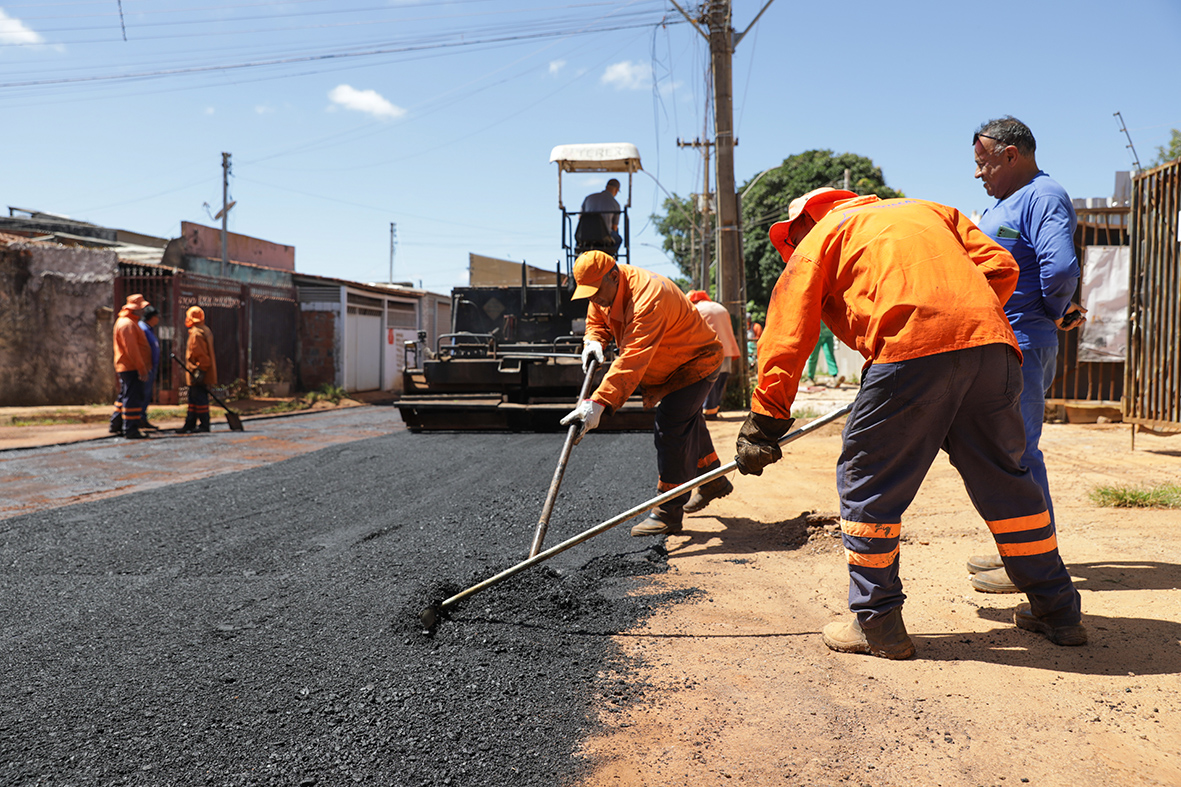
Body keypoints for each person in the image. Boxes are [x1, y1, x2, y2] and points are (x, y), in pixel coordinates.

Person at [735, 187, 1085, 659]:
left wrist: (765, 420)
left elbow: (786, 330)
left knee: (869, 483)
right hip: (994, 350)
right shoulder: (930, 210)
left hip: (911, 353)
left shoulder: (823, 238)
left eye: (793, 234)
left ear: (807, 221)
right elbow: (1003, 266)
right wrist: (966, 323)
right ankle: (1058, 609)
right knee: (1008, 483)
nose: (794, 243)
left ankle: (877, 623)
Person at [968, 116, 1087, 594]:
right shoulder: (1008, 202)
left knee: (1019, 451)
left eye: (983, 163)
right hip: (1005, 340)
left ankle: (1035, 565)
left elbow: (1059, 268)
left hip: (1024, 341)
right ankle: (1018, 552)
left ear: (1010, 154)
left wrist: (1057, 310)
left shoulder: (1043, 195)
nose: (978, 174)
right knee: (1007, 450)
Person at [560, 251, 731, 534]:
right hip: (668, 365)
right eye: (588, 294)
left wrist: (598, 403)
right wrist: (594, 339)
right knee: (688, 419)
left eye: (596, 292)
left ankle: (668, 510)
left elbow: (633, 358)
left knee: (671, 424)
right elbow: (597, 318)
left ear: (614, 276)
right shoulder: (603, 292)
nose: (594, 299)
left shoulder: (649, 298)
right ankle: (713, 479)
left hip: (695, 362)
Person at [687, 290, 741, 419]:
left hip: (708, 351)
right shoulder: (720, 308)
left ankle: (709, 412)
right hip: (727, 349)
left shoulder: (696, 309)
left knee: (707, 381)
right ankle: (714, 408)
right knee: (720, 380)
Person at [109, 293, 152, 440]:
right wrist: (142, 368)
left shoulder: (129, 322)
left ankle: (117, 424)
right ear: (134, 309)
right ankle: (131, 429)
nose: (143, 311)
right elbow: (132, 350)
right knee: (132, 398)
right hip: (131, 368)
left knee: (125, 397)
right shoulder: (127, 324)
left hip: (129, 367)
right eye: (141, 308)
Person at [180, 306, 218, 434]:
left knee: (199, 399)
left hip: (198, 372)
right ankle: (190, 424)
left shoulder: (196, 334)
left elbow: (201, 356)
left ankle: (203, 424)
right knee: (194, 400)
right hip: (200, 372)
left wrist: (199, 371)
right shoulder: (205, 330)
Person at [579, 178, 623, 255]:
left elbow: (580, 218)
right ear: (616, 190)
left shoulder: (589, 198)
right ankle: (610, 259)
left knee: (579, 241)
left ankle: (578, 258)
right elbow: (614, 227)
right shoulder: (615, 204)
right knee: (618, 240)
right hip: (604, 236)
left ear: (606, 187)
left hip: (586, 234)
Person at [138, 305, 161, 430]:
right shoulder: (143, 328)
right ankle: (139, 418)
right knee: (143, 393)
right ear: (151, 317)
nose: (158, 319)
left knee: (147, 394)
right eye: (156, 317)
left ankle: (142, 417)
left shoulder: (149, 329)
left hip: (152, 366)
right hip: (146, 367)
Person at [804, 322, 843, 387]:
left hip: (828, 335)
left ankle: (835, 377)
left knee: (830, 356)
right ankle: (810, 378)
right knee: (813, 357)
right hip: (815, 334)